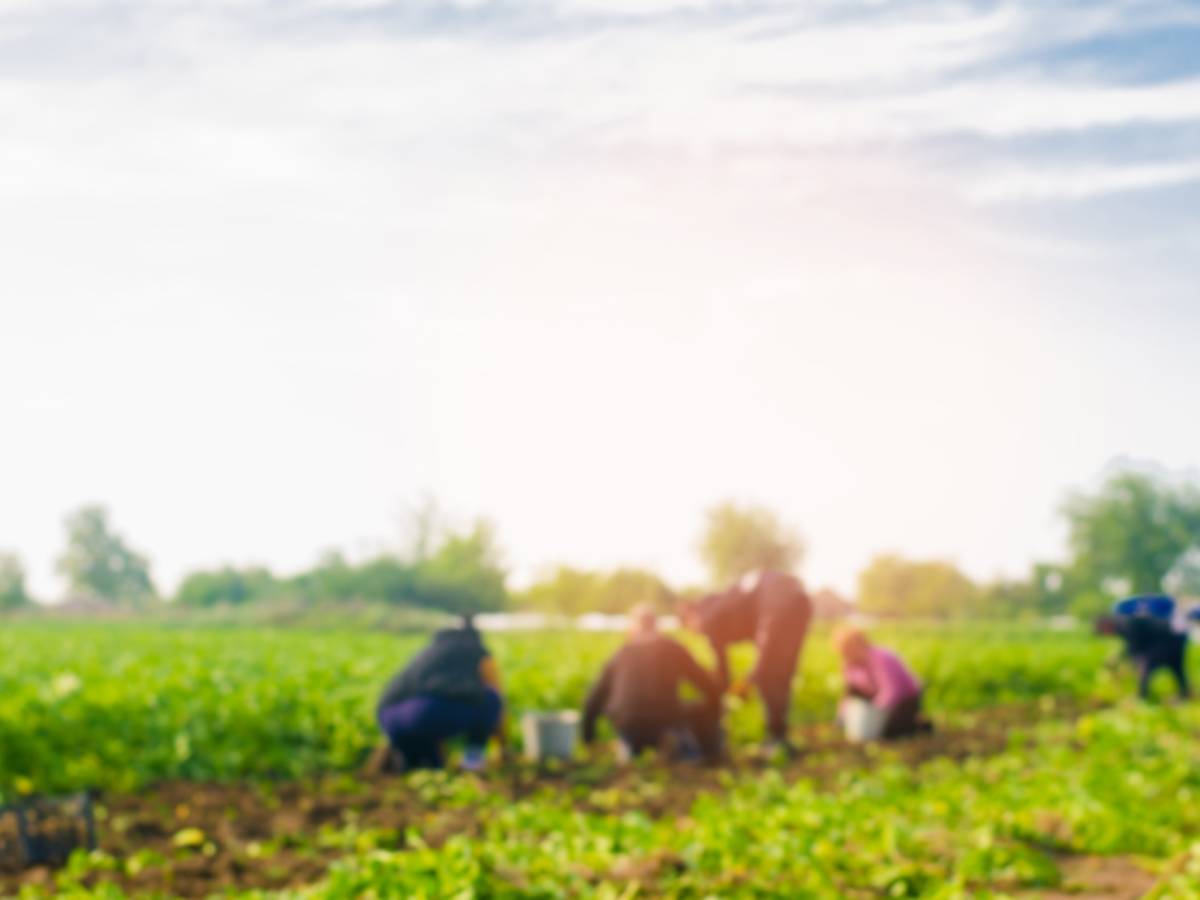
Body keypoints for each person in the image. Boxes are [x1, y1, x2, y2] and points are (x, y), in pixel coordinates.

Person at [680, 570, 812, 750]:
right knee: (782, 673)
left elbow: (723, 671)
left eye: (690, 627)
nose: (696, 632)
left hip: (776, 602)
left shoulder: (706, 617)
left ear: (690, 615)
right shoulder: (722, 603)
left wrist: (745, 682)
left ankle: (776, 740)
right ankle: (780, 737)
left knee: (768, 674)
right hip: (801, 600)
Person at [582, 605, 723, 761]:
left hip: (628, 725)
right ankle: (703, 754)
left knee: (627, 723)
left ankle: (628, 749)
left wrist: (588, 740)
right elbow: (708, 685)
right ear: (657, 627)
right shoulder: (673, 648)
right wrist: (716, 713)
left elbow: (593, 700)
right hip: (667, 722)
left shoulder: (621, 653)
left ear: (633, 628)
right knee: (698, 711)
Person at [375, 616, 506, 771]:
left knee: (432, 766)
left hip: (390, 717)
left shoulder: (432, 649)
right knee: (491, 699)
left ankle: (407, 763)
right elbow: (497, 692)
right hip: (425, 713)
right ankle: (473, 762)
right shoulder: (477, 651)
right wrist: (504, 747)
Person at [833, 627, 929, 739]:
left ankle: (915, 724)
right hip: (877, 696)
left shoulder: (880, 658)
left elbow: (892, 691)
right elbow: (848, 693)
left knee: (889, 734)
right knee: (854, 694)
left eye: (847, 650)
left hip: (905, 699)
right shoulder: (849, 664)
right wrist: (842, 716)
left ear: (858, 645)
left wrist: (875, 714)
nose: (844, 655)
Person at [1098, 594, 1190, 700]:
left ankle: (1142, 696)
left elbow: (1134, 648)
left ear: (1106, 626)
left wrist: (1118, 660)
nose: (1107, 635)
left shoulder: (1125, 624)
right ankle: (1184, 693)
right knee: (1175, 666)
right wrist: (1120, 658)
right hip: (1173, 636)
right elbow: (1134, 646)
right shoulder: (1122, 623)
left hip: (1168, 637)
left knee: (1146, 663)